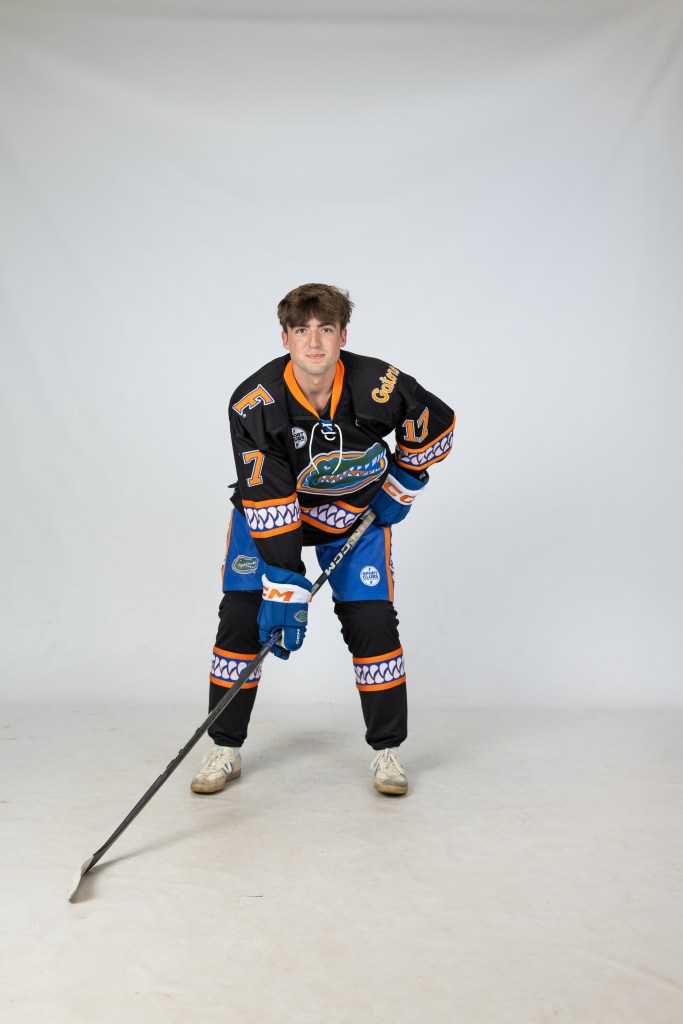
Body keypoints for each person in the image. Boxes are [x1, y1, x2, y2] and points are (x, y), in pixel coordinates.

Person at [191, 283, 454, 797]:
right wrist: (284, 583)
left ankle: (388, 750)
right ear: (285, 338)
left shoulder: (379, 383)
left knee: (373, 621)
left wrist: (404, 479)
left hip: (353, 514)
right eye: (302, 330)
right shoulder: (254, 402)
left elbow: (433, 420)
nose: (314, 342)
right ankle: (224, 745)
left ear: (343, 336)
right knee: (242, 616)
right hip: (269, 515)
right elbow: (268, 495)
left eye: (326, 329)